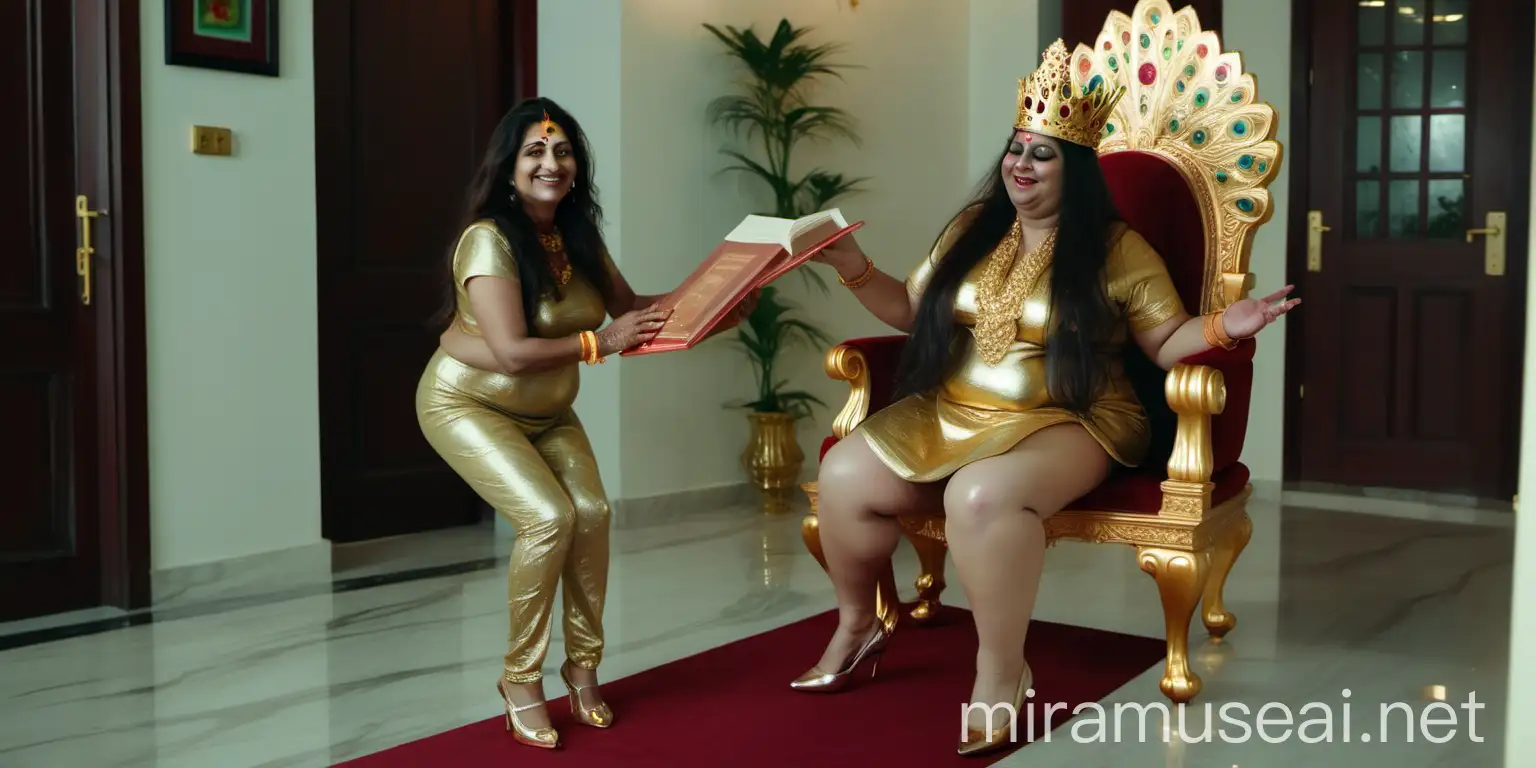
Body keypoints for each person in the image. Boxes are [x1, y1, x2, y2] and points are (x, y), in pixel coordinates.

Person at [792, 41, 1297, 757]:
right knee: (844, 475)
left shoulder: (1117, 249)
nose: (1021, 166)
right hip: (957, 408)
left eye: (1043, 155)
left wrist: (1224, 325)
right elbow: (911, 312)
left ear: (1077, 170)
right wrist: (853, 268)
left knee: (979, 496)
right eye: (1016, 150)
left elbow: (1167, 341)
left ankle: (1000, 670)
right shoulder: (973, 230)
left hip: (1073, 415)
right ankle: (857, 623)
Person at [415, 97, 752, 750]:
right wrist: (604, 343)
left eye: (563, 151)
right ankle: (520, 679)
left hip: (548, 410)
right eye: (535, 152)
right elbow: (513, 351)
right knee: (549, 518)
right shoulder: (488, 239)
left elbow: (633, 311)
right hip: (469, 404)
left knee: (593, 512)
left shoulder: (578, 235)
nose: (551, 163)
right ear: (508, 167)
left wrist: (719, 305)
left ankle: (583, 666)